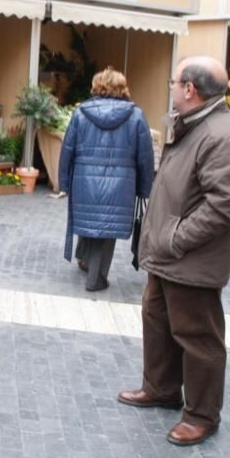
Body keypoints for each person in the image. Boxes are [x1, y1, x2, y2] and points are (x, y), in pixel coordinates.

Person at [117, 56, 230, 447]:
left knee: (197, 337)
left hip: (190, 258)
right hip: (168, 255)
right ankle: (160, 388)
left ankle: (201, 414)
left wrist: (175, 237)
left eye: (174, 81)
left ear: (190, 89)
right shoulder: (192, 125)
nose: (171, 87)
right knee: (156, 319)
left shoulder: (223, 136)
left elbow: (224, 206)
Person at [57, 68, 154, 292]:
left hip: (84, 181)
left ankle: (85, 259)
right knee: (107, 225)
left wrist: (64, 182)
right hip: (121, 184)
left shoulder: (81, 113)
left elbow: (67, 150)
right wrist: (145, 188)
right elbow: (145, 157)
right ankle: (96, 278)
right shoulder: (136, 116)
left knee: (90, 217)